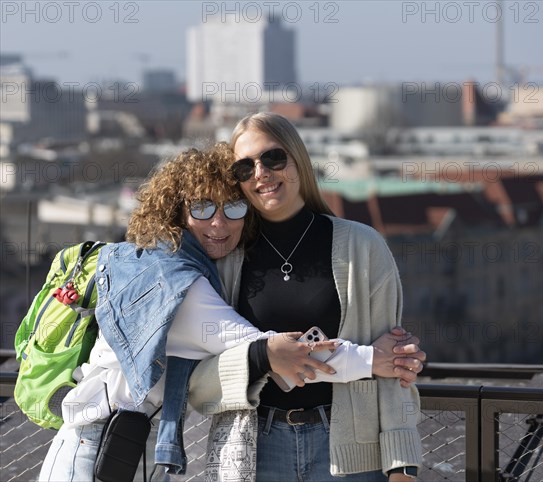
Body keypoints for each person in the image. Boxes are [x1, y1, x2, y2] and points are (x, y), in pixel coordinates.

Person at [38, 143, 423, 482]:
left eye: (233, 207)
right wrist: (376, 359)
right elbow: (280, 353)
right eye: (202, 208)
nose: (219, 223)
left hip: (128, 445)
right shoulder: (178, 284)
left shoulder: (150, 258)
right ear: (176, 211)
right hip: (100, 448)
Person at [187, 113, 423, 482]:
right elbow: (198, 381)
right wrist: (263, 357)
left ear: (298, 159)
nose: (261, 173)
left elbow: (394, 366)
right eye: (244, 168)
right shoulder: (224, 261)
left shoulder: (362, 247)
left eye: (273, 158)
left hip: (350, 453)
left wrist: (402, 462)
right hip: (255, 453)